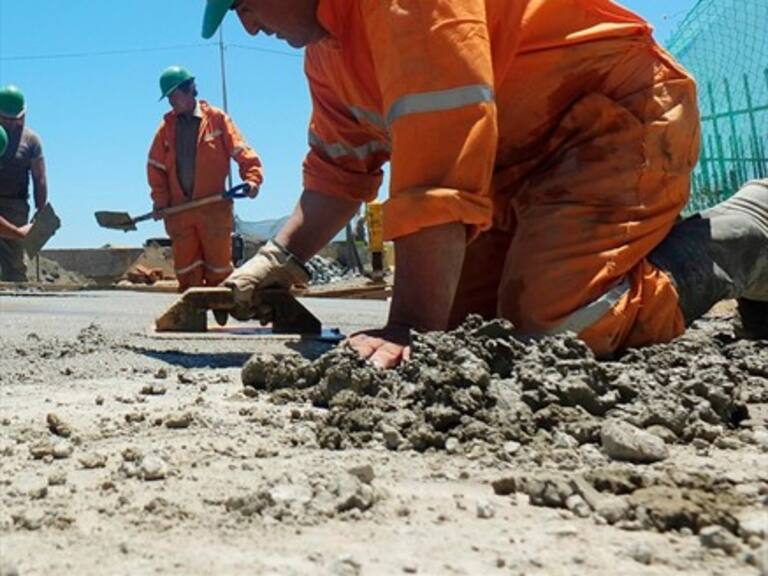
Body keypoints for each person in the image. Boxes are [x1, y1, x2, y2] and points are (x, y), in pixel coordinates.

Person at [203, 0, 768, 366]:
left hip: (611, 120)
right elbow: (339, 172)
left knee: (555, 326)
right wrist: (278, 259)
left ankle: (749, 230)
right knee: (468, 332)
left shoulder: (404, 7)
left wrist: (407, 325)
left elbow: (442, 150)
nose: (249, 23)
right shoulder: (328, 55)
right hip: (516, 169)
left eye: (245, 3)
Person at [147, 66, 264, 291]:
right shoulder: (166, 129)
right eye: (169, 97)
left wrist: (252, 179)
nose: (171, 101)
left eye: (175, 95)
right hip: (179, 212)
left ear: (190, 89)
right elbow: (155, 169)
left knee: (218, 270)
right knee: (186, 272)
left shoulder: (217, 120)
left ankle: (221, 309)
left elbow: (241, 150)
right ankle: (192, 317)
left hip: (213, 210)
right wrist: (161, 202)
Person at [0, 86, 47, 282]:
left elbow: (39, 176)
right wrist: (19, 233)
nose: (11, 124)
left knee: (15, 264)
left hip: (15, 204)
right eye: (5, 118)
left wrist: (41, 211)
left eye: (15, 118)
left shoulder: (31, 140)